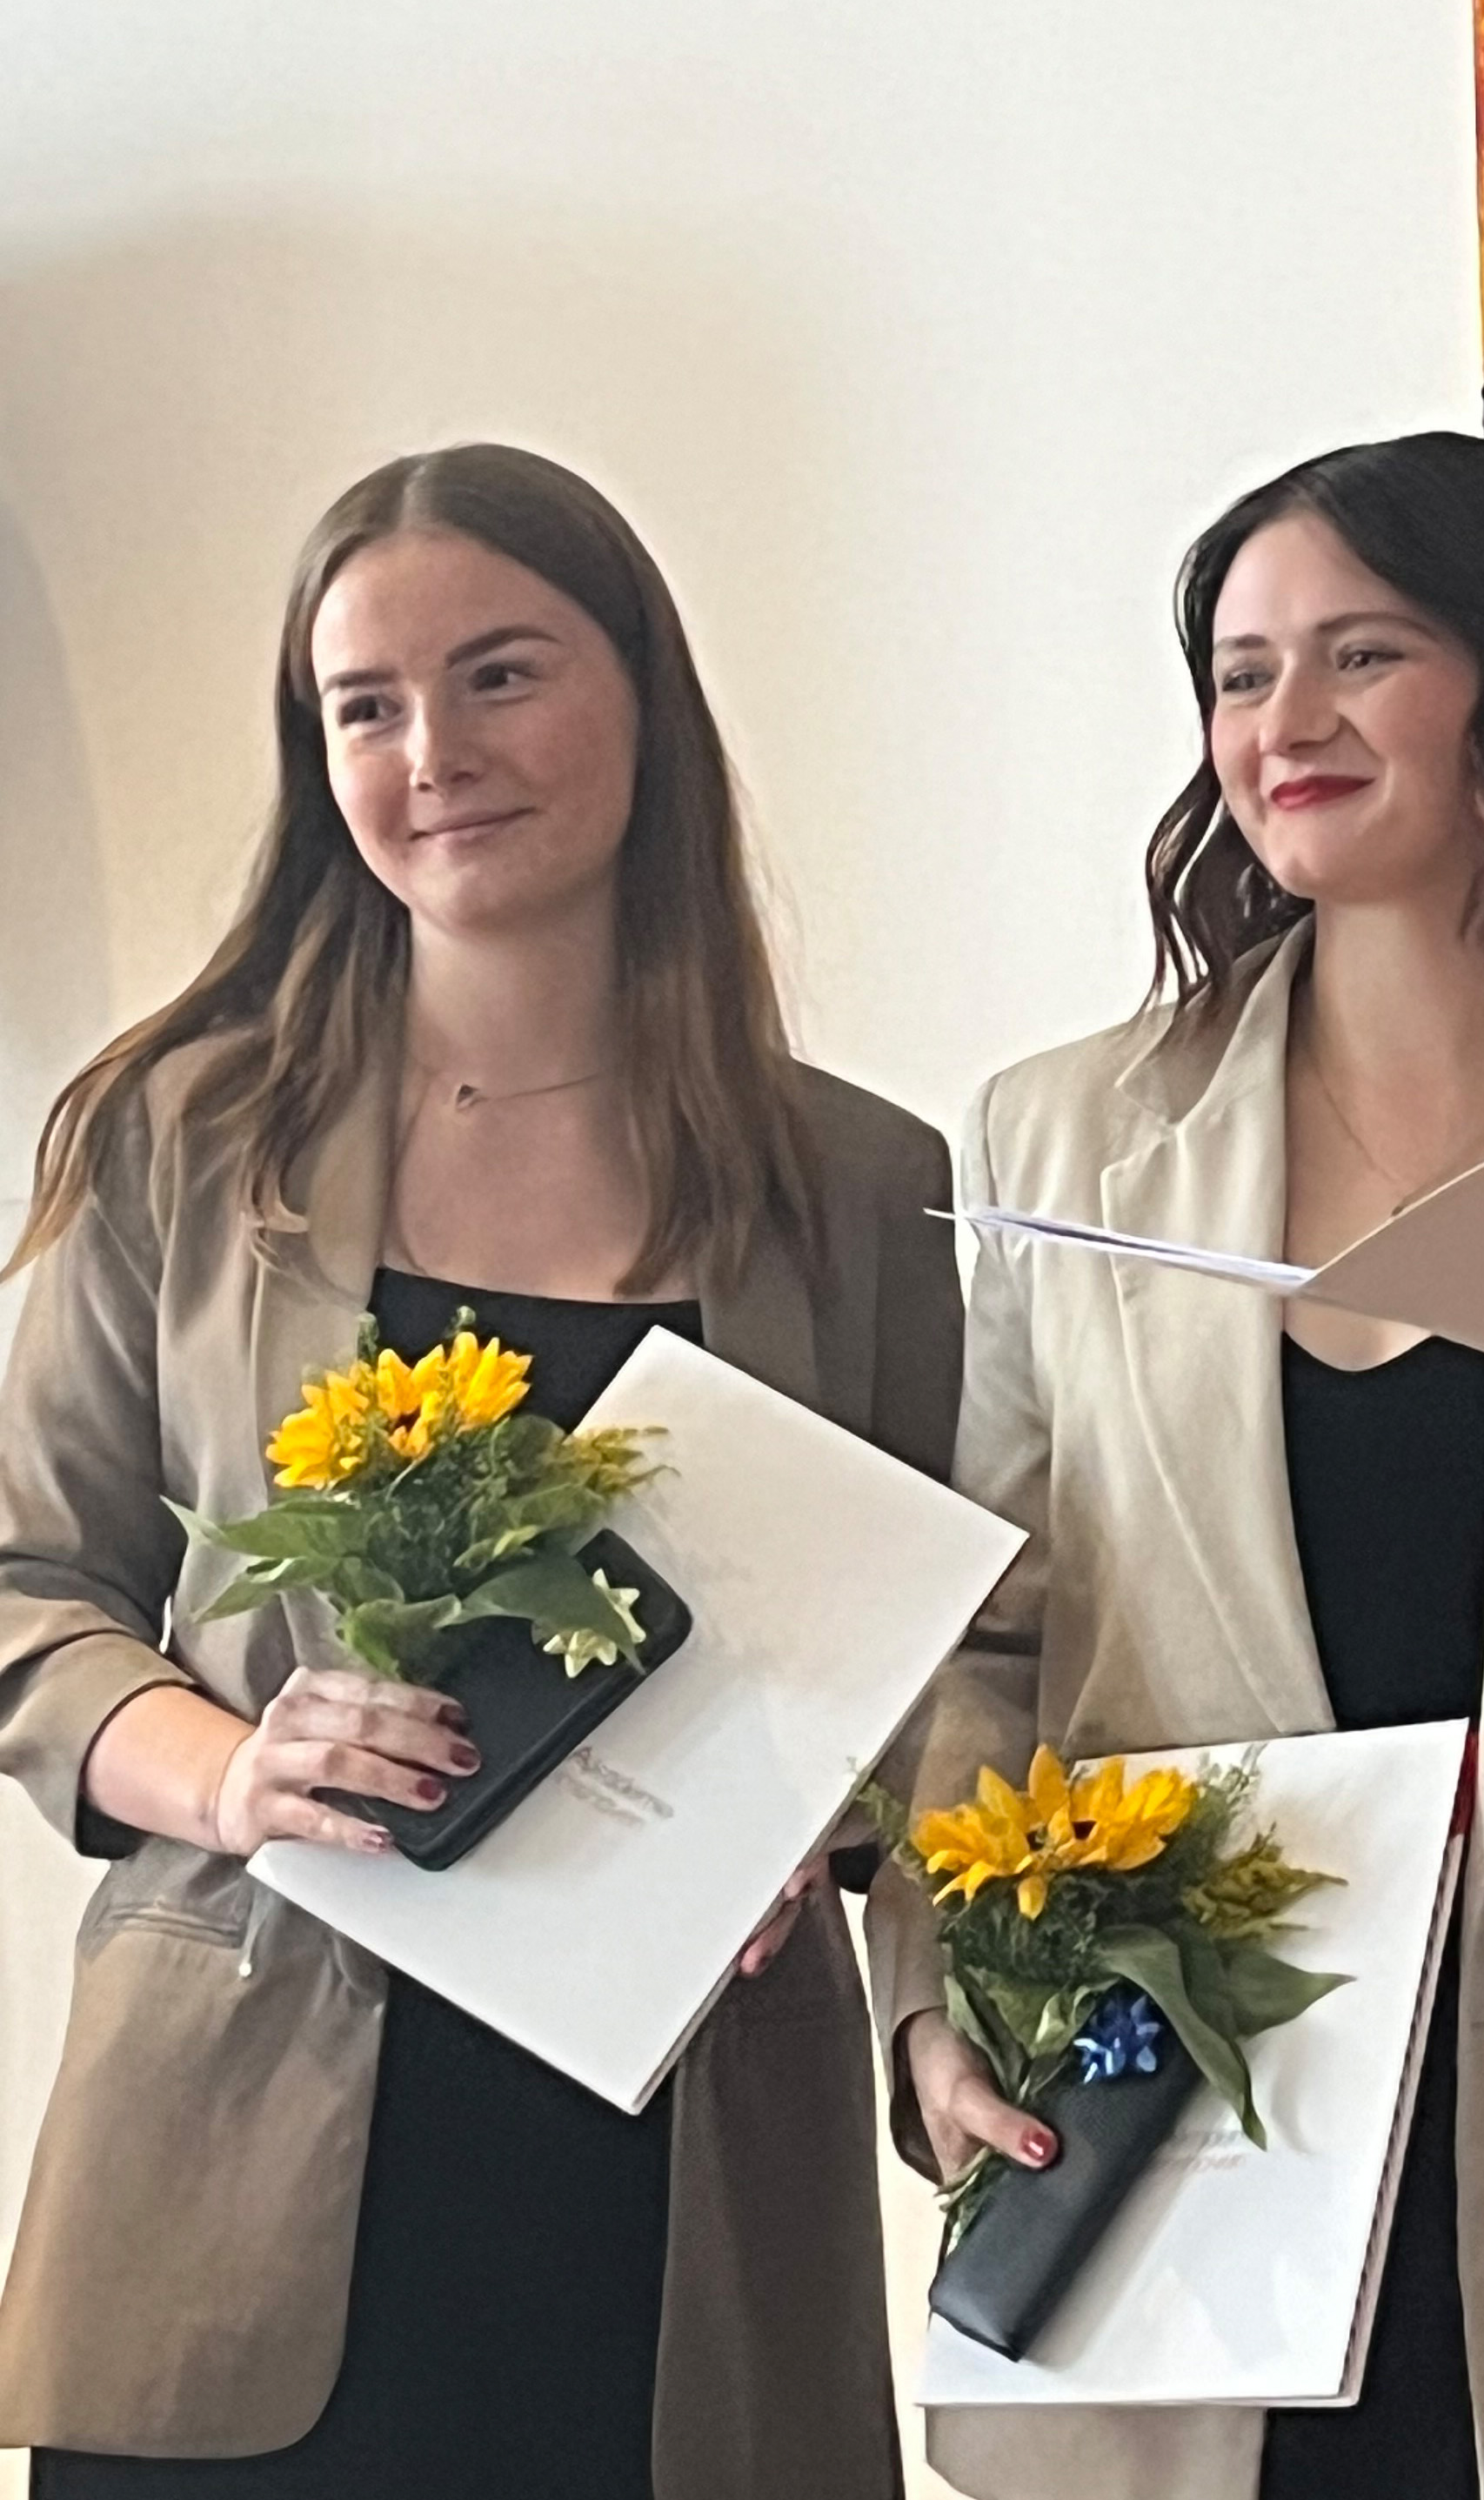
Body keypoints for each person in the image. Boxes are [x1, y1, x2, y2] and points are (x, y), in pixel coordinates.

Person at [0, 444, 959, 2499]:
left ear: (642, 699)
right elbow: (24, 1592)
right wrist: (233, 1767)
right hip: (246, 2179)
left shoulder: (863, 1191)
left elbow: (946, 1658)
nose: (435, 749)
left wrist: (842, 1815)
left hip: (681, 2182)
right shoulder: (182, 1143)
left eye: (503, 675)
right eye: (366, 705)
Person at [868, 432, 1484, 2500]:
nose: (1290, 723)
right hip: (1181, 2148)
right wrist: (930, 2004)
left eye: (1364, 654)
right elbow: (979, 1653)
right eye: (1245, 671)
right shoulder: (1058, 1139)